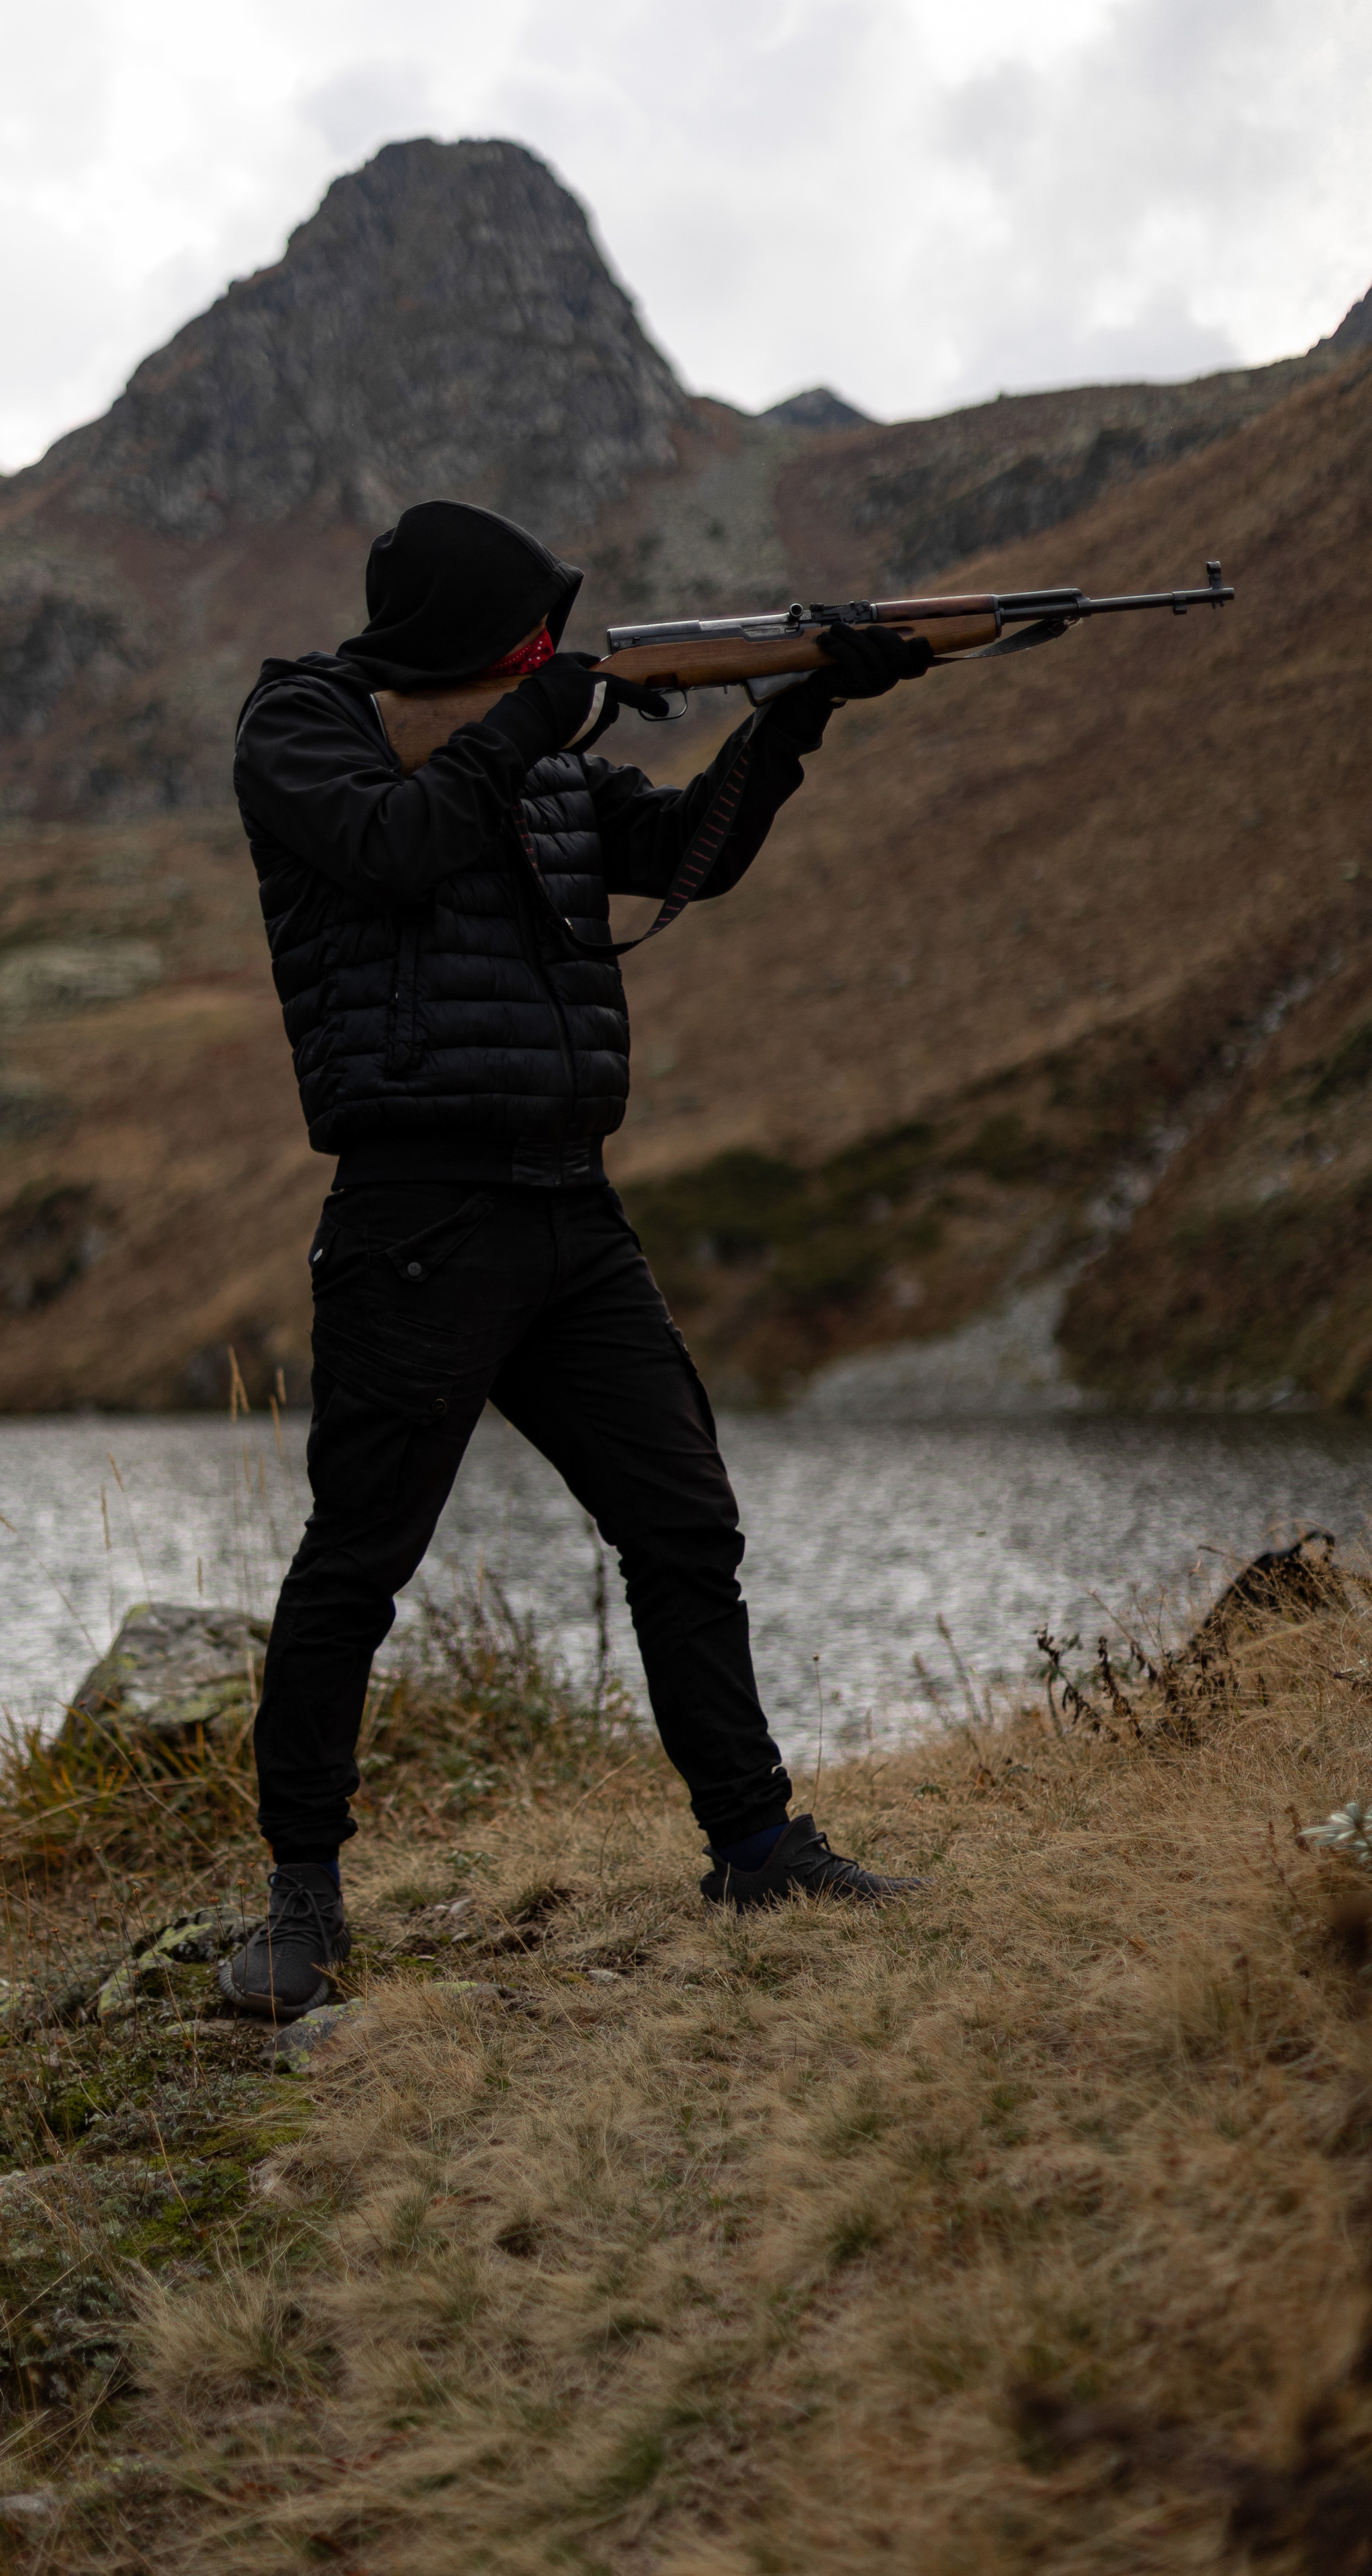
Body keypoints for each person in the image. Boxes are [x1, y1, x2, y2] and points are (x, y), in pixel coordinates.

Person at [221, 499, 931, 2020]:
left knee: (684, 1527)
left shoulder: (532, 757)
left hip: (568, 1206)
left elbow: (689, 852)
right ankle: (301, 1906)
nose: (550, 655)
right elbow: (391, 849)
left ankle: (754, 1848)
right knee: (360, 1560)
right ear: (466, 643)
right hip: (418, 1216)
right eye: (527, 636)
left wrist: (798, 707)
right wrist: (545, 706)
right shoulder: (303, 727)